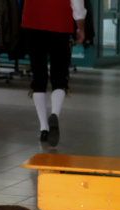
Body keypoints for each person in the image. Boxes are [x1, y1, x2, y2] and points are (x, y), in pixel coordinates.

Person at [21, 0, 86, 147]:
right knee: (59, 76)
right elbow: (77, 3)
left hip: (33, 22)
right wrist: (80, 27)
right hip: (60, 22)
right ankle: (54, 114)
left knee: (39, 76)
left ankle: (44, 128)